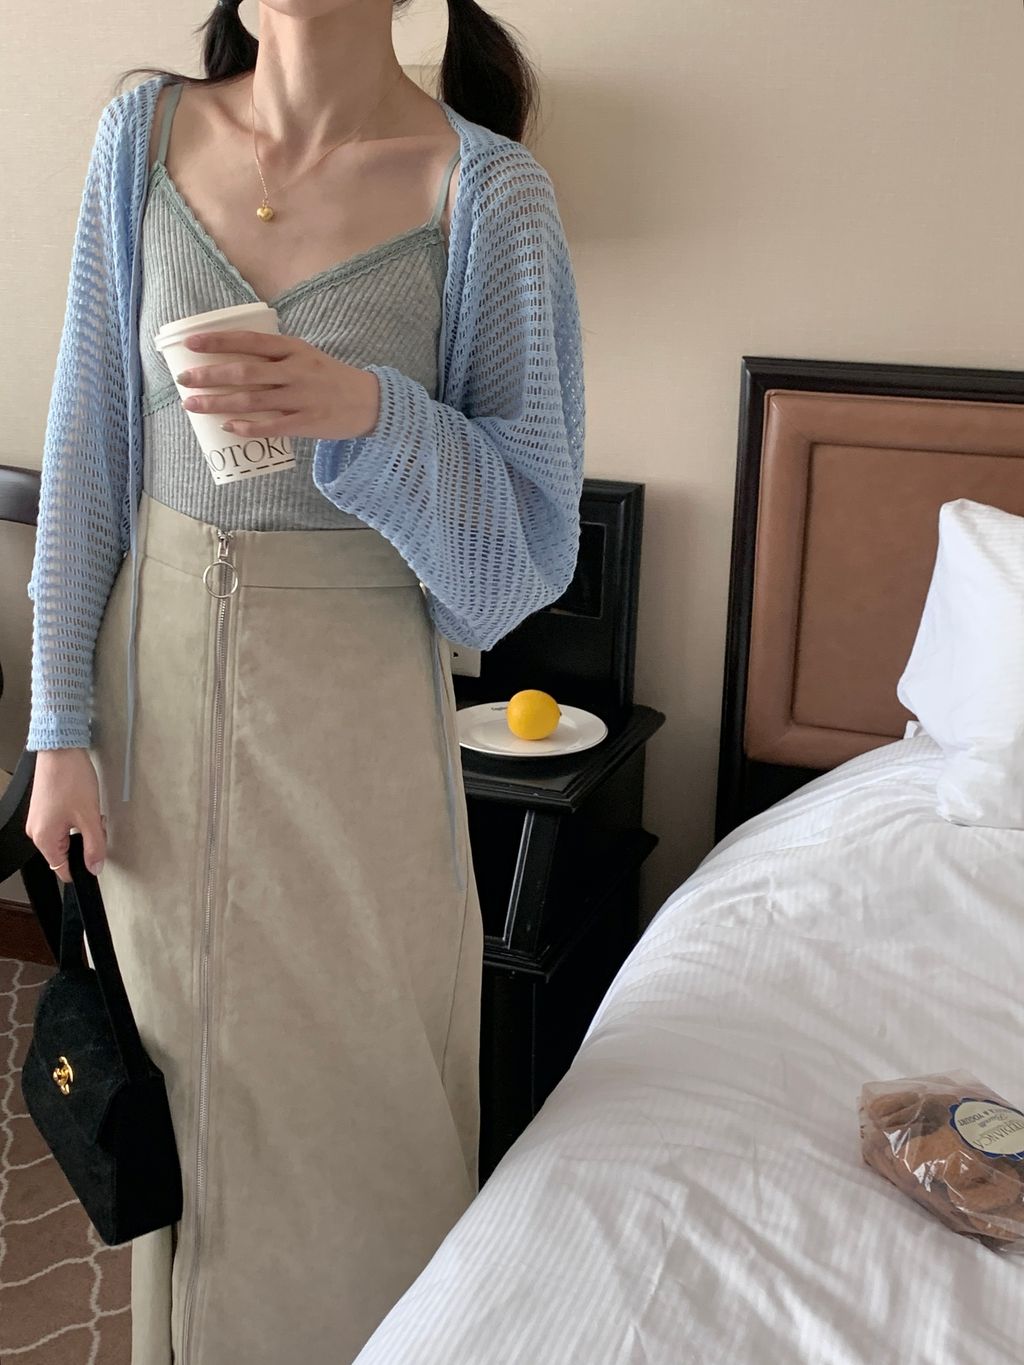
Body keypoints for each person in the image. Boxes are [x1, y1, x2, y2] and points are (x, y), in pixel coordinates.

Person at [23, 0, 586, 1361]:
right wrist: (58, 726)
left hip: (355, 726)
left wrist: (370, 415)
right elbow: (87, 454)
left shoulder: (489, 194)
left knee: (361, 1106)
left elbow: (519, 564)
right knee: (179, 1104)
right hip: (154, 708)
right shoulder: (141, 136)